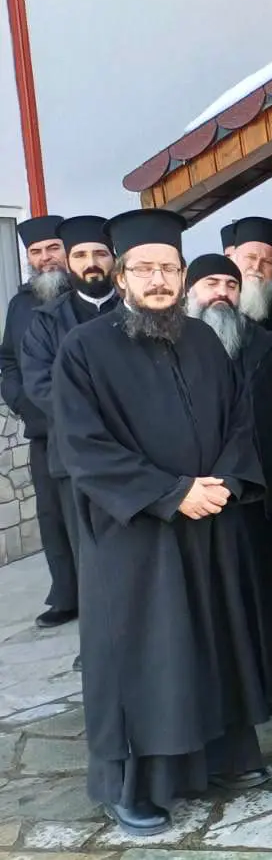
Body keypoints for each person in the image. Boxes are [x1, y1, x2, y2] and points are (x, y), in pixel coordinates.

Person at [53, 209, 271, 835]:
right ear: (121, 276)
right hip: (136, 536)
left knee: (211, 640)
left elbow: (239, 422)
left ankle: (224, 756)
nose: (157, 280)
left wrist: (222, 484)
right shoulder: (84, 350)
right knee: (145, 656)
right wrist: (170, 493)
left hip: (210, 521)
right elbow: (82, 446)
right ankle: (133, 784)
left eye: (168, 268)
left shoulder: (203, 339)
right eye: (144, 269)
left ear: (181, 275)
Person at [186, 254, 272, 703]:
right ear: (191, 292)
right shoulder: (172, 345)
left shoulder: (264, 344)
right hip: (197, 500)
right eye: (210, 283)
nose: (221, 291)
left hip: (261, 494)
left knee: (265, 594)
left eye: (230, 283)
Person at [20, 215, 119, 620]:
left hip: (143, 451)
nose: (91, 262)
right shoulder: (45, 321)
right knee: (89, 554)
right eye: (81, 255)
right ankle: (98, 644)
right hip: (73, 457)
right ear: (70, 261)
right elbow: (41, 385)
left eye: (99, 253)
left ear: (114, 260)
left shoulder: (139, 311)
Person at [0, 215, 74, 628]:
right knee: (52, 515)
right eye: (36, 251)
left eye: (52, 249)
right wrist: (20, 401)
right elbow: (8, 359)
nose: (45, 258)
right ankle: (66, 594)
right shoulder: (20, 303)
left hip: (90, 427)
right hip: (44, 430)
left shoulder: (86, 296)